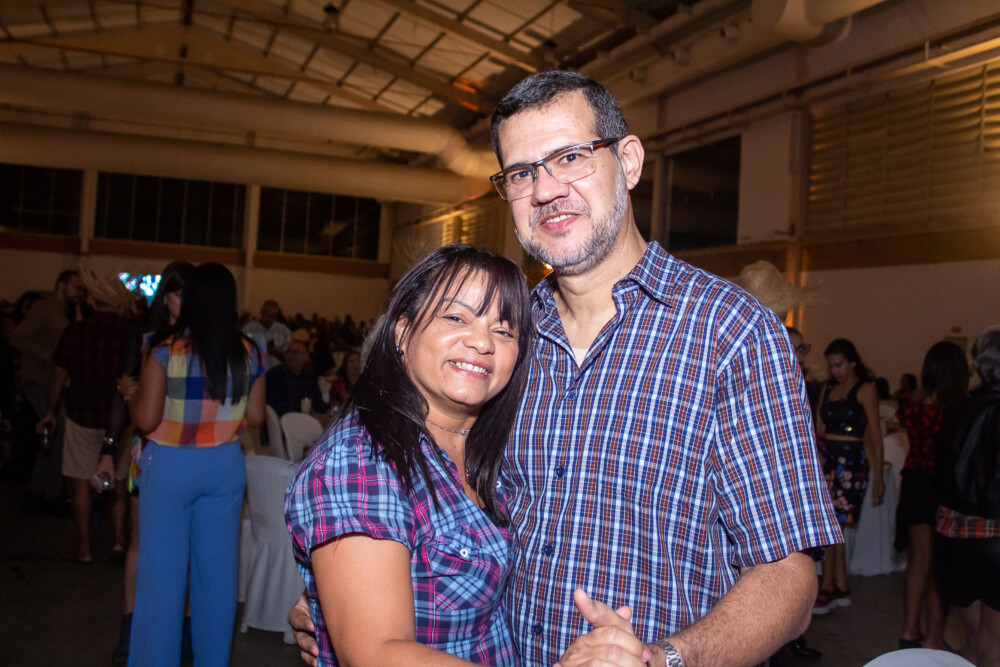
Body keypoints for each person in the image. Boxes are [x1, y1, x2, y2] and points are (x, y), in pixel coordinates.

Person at [291, 70, 839, 667]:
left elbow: (790, 577)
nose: (546, 190)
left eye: (570, 157)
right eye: (522, 173)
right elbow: (424, 504)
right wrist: (347, 597)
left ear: (628, 161)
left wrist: (665, 658)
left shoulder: (731, 334)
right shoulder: (504, 340)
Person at [285, 244, 533, 666]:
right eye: (456, 317)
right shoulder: (361, 460)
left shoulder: (495, 447)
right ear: (402, 332)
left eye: (504, 330)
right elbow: (376, 654)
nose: (481, 342)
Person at [118, 262, 266, 666]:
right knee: (217, 577)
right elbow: (255, 417)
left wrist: (130, 393)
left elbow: (146, 419)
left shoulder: (164, 349)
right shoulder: (250, 349)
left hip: (171, 465)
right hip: (225, 466)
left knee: (161, 577)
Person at [102, 260, 194, 665]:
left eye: (188, 291)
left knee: (189, 549)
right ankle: (131, 628)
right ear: (164, 296)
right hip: (148, 453)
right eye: (176, 291)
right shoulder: (145, 340)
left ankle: (184, 634)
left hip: (193, 455)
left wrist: (132, 391)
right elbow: (122, 396)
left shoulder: (207, 341)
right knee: (142, 543)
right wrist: (108, 448)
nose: (183, 300)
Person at [36, 268, 136, 562]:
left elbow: (58, 373)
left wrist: (51, 409)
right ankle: (118, 541)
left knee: (80, 481)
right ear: (118, 304)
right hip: (119, 421)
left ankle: (84, 548)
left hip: (81, 413)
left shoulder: (76, 331)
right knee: (119, 481)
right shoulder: (130, 334)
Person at [891, 341, 969, 651]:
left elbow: (900, 421)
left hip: (913, 482)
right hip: (940, 486)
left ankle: (909, 631)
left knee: (918, 560)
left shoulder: (913, 404)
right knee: (937, 564)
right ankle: (934, 638)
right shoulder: (954, 410)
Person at [934, 327, 1000, 665]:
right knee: (994, 644)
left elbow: (939, 470)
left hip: (953, 535)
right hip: (995, 536)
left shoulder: (954, 410)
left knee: (972, 641)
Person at [813, 338, 885, 615]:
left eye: (839, 365)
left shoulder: (866, 389)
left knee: (835, 523)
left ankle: (828, 585)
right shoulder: (828, 388)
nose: (835, 370)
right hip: (827, 459)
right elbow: (818, 425)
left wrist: (879, 474)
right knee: (833, 523)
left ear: (852, 362)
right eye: (831, 366)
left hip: (851, 462)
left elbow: (875, 433)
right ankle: (839, 583)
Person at [11, 270, 84, 512]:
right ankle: (45, 492)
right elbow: (18, 337)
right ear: (61, 285)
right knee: (56, 428)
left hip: (52, 383)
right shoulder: (43, 309)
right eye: (76, 287)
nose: (79, 293)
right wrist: (48, 358)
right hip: (38, 382)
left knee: (54, 433)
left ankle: (41, 491)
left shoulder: (63, 313)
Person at [265, 339, 329, 417]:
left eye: (296, 352)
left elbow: (319, 405)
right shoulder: (274, 375)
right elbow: (270, 407)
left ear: (306, 357)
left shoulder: (308, 377)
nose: (292, 355)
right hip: (283, 421)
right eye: (289, 351)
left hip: (304, 420)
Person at [243, 298, 292, 368]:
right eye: (269, 316)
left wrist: (276, 352)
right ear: (262, 312)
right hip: (255, 369)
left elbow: (289, 357)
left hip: (276, 371)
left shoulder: (284, 331)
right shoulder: (248, 329)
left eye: (274, 317)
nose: (271, 320)